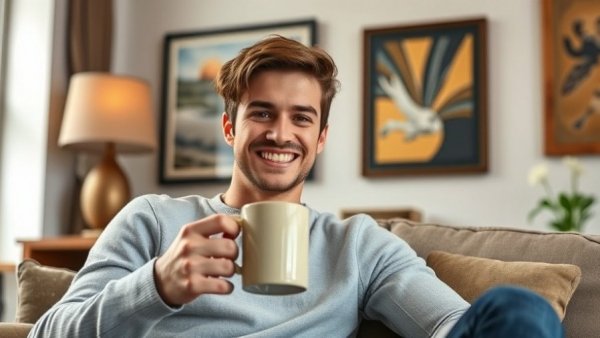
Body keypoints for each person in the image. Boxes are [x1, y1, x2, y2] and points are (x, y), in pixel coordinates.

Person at [30, 35, 564, 338]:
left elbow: (448, 322)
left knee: (522, 312)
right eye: (261, 113)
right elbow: (46, 334)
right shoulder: (152, 220)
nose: (281, 134)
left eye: (302, 118)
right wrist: (157, 285)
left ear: (322, 136)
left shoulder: (359, 244)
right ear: (229, 126)